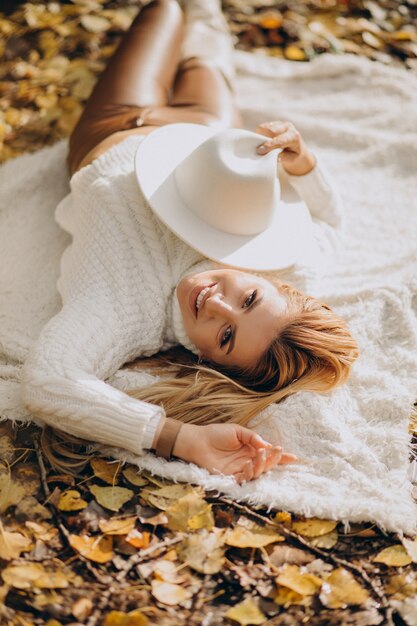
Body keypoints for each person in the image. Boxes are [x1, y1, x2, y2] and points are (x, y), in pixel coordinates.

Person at [20, 0, 359, 485]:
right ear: (271, 284)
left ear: (208, 360)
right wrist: (301, 161)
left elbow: (49, 382)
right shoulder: (280, 259)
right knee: (204, 37)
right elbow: (329, 218)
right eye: (248, 298)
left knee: (164, 12)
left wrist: (178, 436)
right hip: (205, 129)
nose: (216, 302)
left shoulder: (123, 313)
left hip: (115, 126)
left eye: (225, 336)